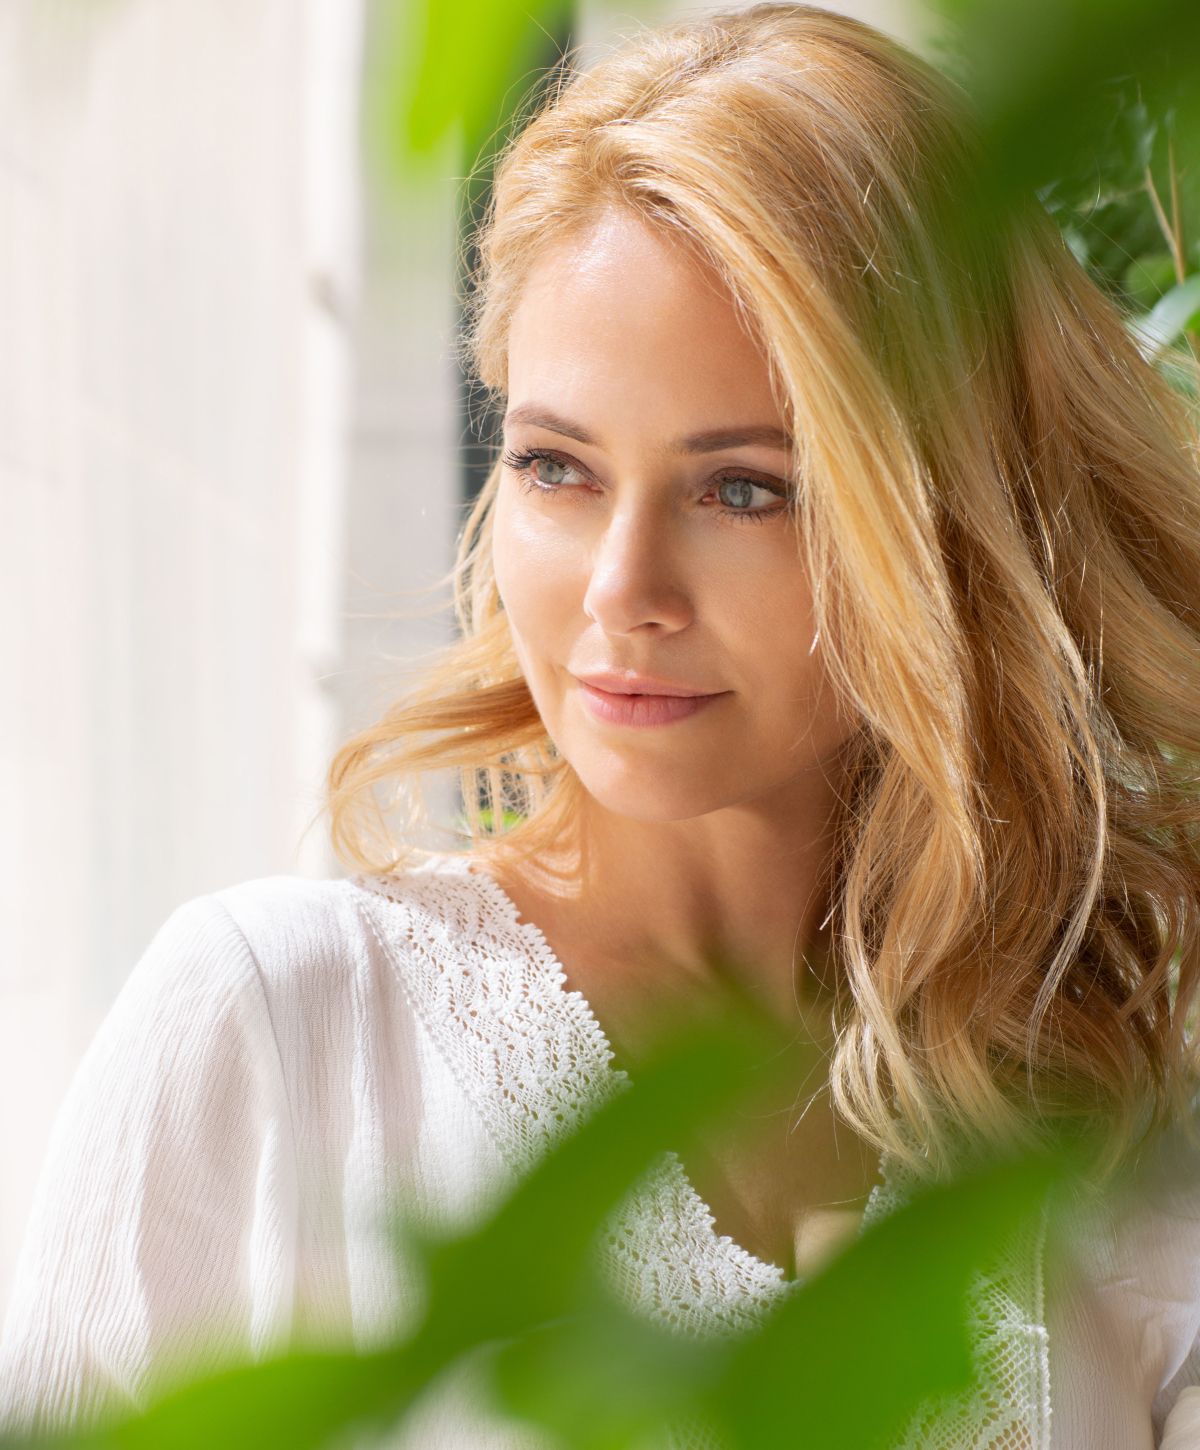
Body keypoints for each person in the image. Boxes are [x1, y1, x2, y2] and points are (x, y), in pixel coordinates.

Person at [3, 2, 1200, 1446]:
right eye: (557, 467)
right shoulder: (285, 1023)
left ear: (942, 521)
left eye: (743, 488)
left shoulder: (1091, 1152)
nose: (621, 590)